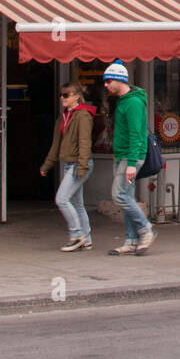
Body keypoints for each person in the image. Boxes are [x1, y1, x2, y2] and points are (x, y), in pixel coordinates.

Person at [103, 59, 155, 255]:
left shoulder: (132, 102)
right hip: (123, 156)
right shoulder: (124, 100)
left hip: (129, 157)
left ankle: (146, 229)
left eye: (109, 81)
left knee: (119, 195)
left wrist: (132, 164)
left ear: (119, 80)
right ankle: (131, 240)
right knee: (127, 196)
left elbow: (136, 134)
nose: (106, 85)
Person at [40, 81, 96, 251]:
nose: (62, 98)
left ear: (77, 96)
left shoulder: (83, 115)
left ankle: (76, 234)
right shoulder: (63, 116)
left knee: (62, 199)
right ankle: (86, 238)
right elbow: (56, 144)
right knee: (77, 204)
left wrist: (82, 166)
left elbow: (85, 142)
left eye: (66, 95)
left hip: (78, 164)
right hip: (69, 164)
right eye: (61, 95)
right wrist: (47, 165)